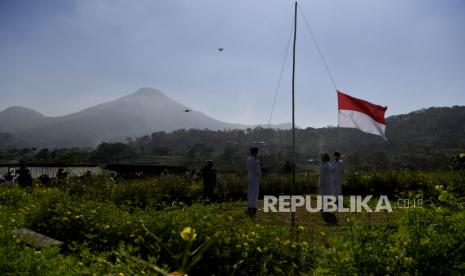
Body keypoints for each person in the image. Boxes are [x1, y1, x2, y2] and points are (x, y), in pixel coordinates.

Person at [319, 153, 337, 225]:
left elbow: (322, 176)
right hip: (329, 183)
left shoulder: (324, 165)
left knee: (324, 196)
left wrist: (321, 183)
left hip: (325, 183)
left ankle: (325, 209)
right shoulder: (329, 165)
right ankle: (324, 208)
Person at [246, 147, 261, 219]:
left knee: (250, 191)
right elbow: (257, 170)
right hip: (255, 177)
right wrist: (260, 176)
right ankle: (253, 206)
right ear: (255, 152)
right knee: (255, 192)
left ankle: (249, 206)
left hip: (249, 176)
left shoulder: (248, 159)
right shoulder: (255, 160)